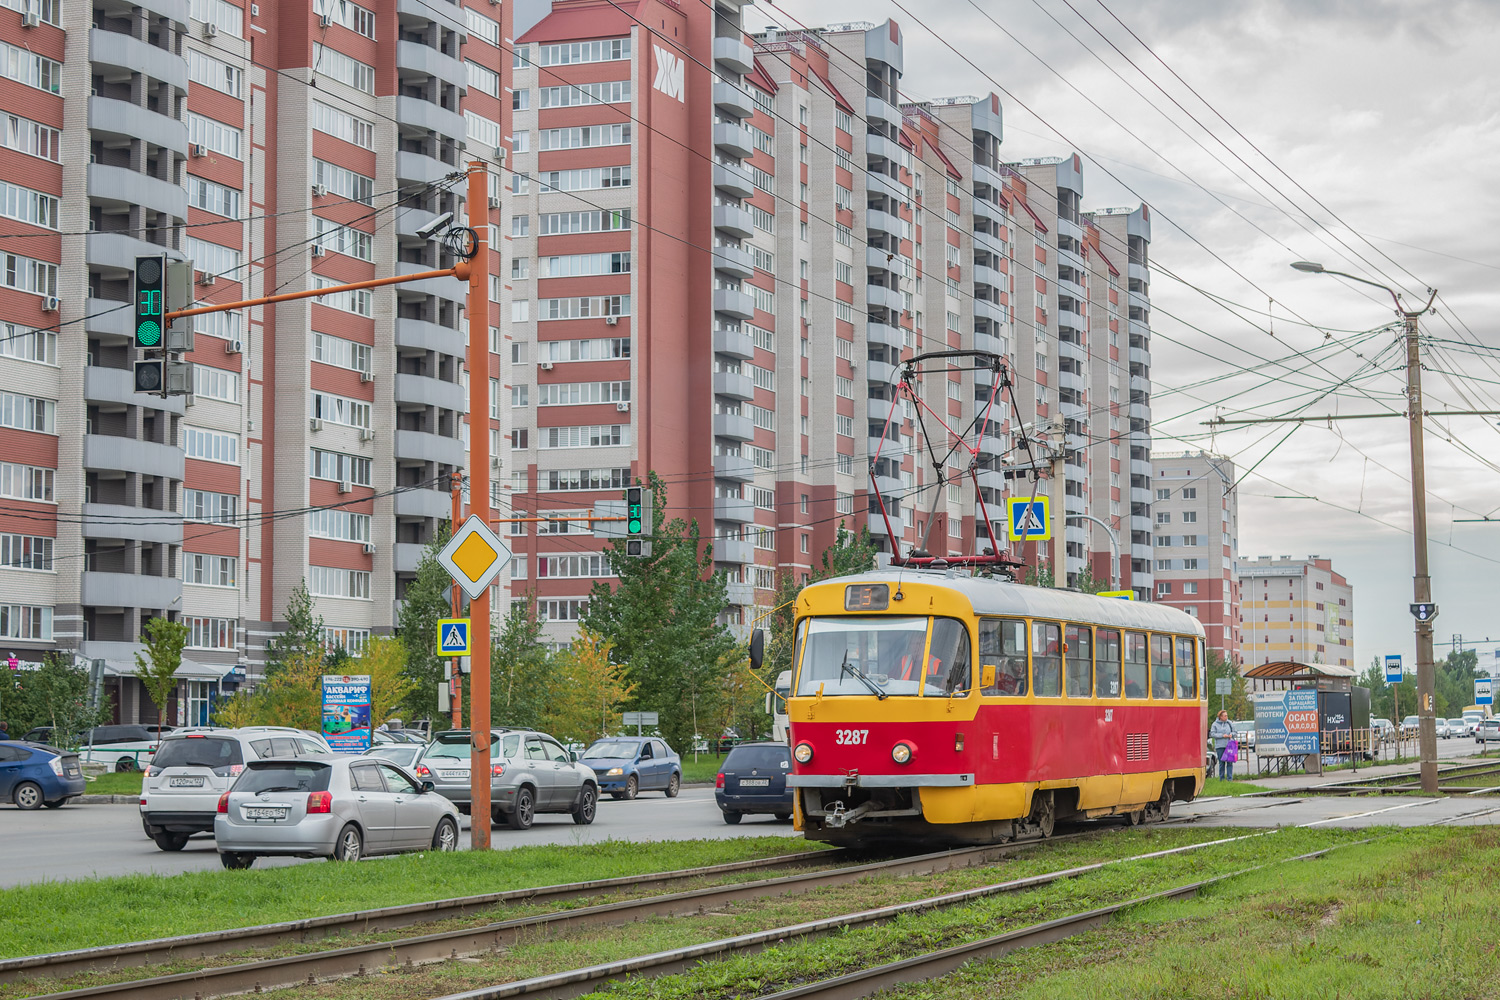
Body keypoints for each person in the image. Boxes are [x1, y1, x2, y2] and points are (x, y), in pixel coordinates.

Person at [1210, 710, 1235, 781]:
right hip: (1220, 746)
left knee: (1230, 762)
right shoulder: (1215, 724)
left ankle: (1230, 778)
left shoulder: (1229, 723)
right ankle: (1222, 778)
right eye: (1225, 716)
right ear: (1220, 717)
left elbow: (1235, 732)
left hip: (1229, 745)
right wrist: (1222, 735)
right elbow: (1212, 734)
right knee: (1222, 762)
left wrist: (1231, 735)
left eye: (1227, 715)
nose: (1226, 717)